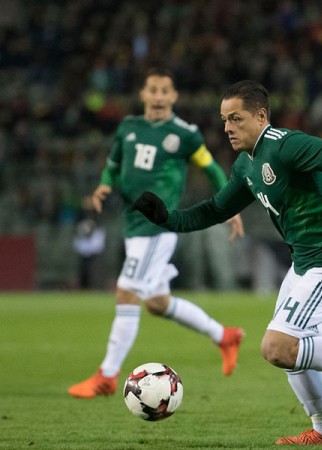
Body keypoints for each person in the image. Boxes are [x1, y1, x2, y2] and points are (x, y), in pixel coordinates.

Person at [132, 80, 322, 445]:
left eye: (236, 118)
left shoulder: (285, 145)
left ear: (261, 116)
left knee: (277, 346)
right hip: (305, 263)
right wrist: (167, 219)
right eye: (224, 120)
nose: (227, 127)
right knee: (294, 350)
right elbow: (216, 209)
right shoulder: (246, 165)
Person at [68, 68, 246, 399]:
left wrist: (230, 205)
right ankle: (224, 336)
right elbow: (113, 164)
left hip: (157, 226)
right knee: (157, 303)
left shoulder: (185, 134)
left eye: (165, 91)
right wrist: (104, 184)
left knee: (126, 292)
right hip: (132, 224)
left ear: (174, 96)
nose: (159, 96)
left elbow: (211, 169)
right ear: (144, 95)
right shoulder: (128, 127)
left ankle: (107, 376)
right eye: (153, 90)